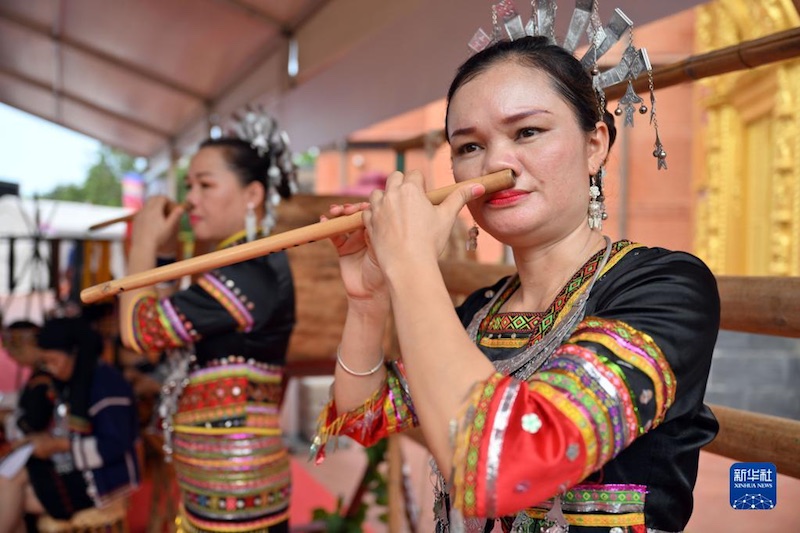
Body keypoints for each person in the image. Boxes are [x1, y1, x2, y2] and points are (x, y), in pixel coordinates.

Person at [312, 6, 719, 533]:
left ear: (594, 145)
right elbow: (364, 416)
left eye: (527, 132)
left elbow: (504, 467)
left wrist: (411, 263)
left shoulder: (665, 288)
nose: (495, 166)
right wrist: (369, 298)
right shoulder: (481, 312)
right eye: (470, 146)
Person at [118, 108, 297, 533]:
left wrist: (142, 244)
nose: (190, 199)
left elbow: (140, 331)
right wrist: (162, 255)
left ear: (252, 195)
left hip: (237, 491)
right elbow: (166, 321)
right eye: (189, 186)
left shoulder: (250, 271)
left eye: (205, 184)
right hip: (218, 486)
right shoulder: (240, 264)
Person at [0, 316, 140, 533]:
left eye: (53, 360)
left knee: (12, 491)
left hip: (103, 480)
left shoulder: (106, 384)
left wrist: (59, 445)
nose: (50, 368)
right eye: (45, 362)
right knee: (10, 485)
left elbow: (113, 445)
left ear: (74, 353)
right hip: (77, 467)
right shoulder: (72, 380)